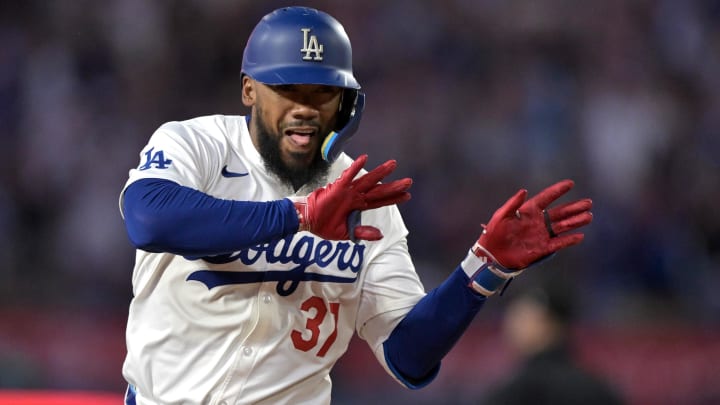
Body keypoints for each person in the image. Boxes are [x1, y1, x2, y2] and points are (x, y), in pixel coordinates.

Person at [118, 6, 593, 405]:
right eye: (287, 89)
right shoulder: (197, 144)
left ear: (346, 103)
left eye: (322, 92)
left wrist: (481, 273)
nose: (305, 107)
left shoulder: (366, 197)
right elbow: (149, 218)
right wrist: (298, 216)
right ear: (249, 90)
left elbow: (407, 357)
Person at [482, 285, 625, 405]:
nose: (511, 325)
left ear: (548, 323)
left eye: (521, 317)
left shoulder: (522, 387)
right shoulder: (598, 386)